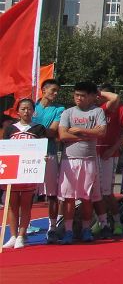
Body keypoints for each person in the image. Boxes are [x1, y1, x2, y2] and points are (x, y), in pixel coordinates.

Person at [57, 81, 107, 244]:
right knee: (68, 197)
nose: (78, 98)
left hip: (89, 160)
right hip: (69, 160)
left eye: (83, 96)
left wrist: (79, 130)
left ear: (92, 96)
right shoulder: (68, 112)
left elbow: (102, 132)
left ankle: (86, 229)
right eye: (76, 95)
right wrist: (87, 136)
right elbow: (63, 135)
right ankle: (68, 231)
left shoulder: (98, 111)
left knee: (86, 197)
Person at [3, 98, 48, 249]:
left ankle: (22, 236)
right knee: (12, 205)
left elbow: (42, 148)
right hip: (13, 172)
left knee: (26, 205)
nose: (26, 111)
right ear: (18, 111)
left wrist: (43, 157)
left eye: (29, 108)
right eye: (23, 109)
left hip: (29, 172)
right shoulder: (10, 129)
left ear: (33, 111)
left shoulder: (39, 128)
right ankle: (13, 236)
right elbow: (5, 149)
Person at [32, 78, 65, 243]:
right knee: (26, 193)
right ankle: (22, 228)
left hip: (49, 154)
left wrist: (33, 130)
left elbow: (53, 131)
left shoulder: (59, 109)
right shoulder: (31, 107)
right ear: (43, 90)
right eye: (53, 90)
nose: (56, 93)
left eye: (57, 91)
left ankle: (52, 227)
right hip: (30, 155)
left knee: (51, 194)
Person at [94, 84, 123, 238]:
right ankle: (102, 222)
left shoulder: (119, 108)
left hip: (109, 154)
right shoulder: (93, 108)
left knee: (107, 191)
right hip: (92, 153)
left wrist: (113, 148)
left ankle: (117, 222)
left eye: (102, 94)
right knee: (95, 192)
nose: (100, 97)